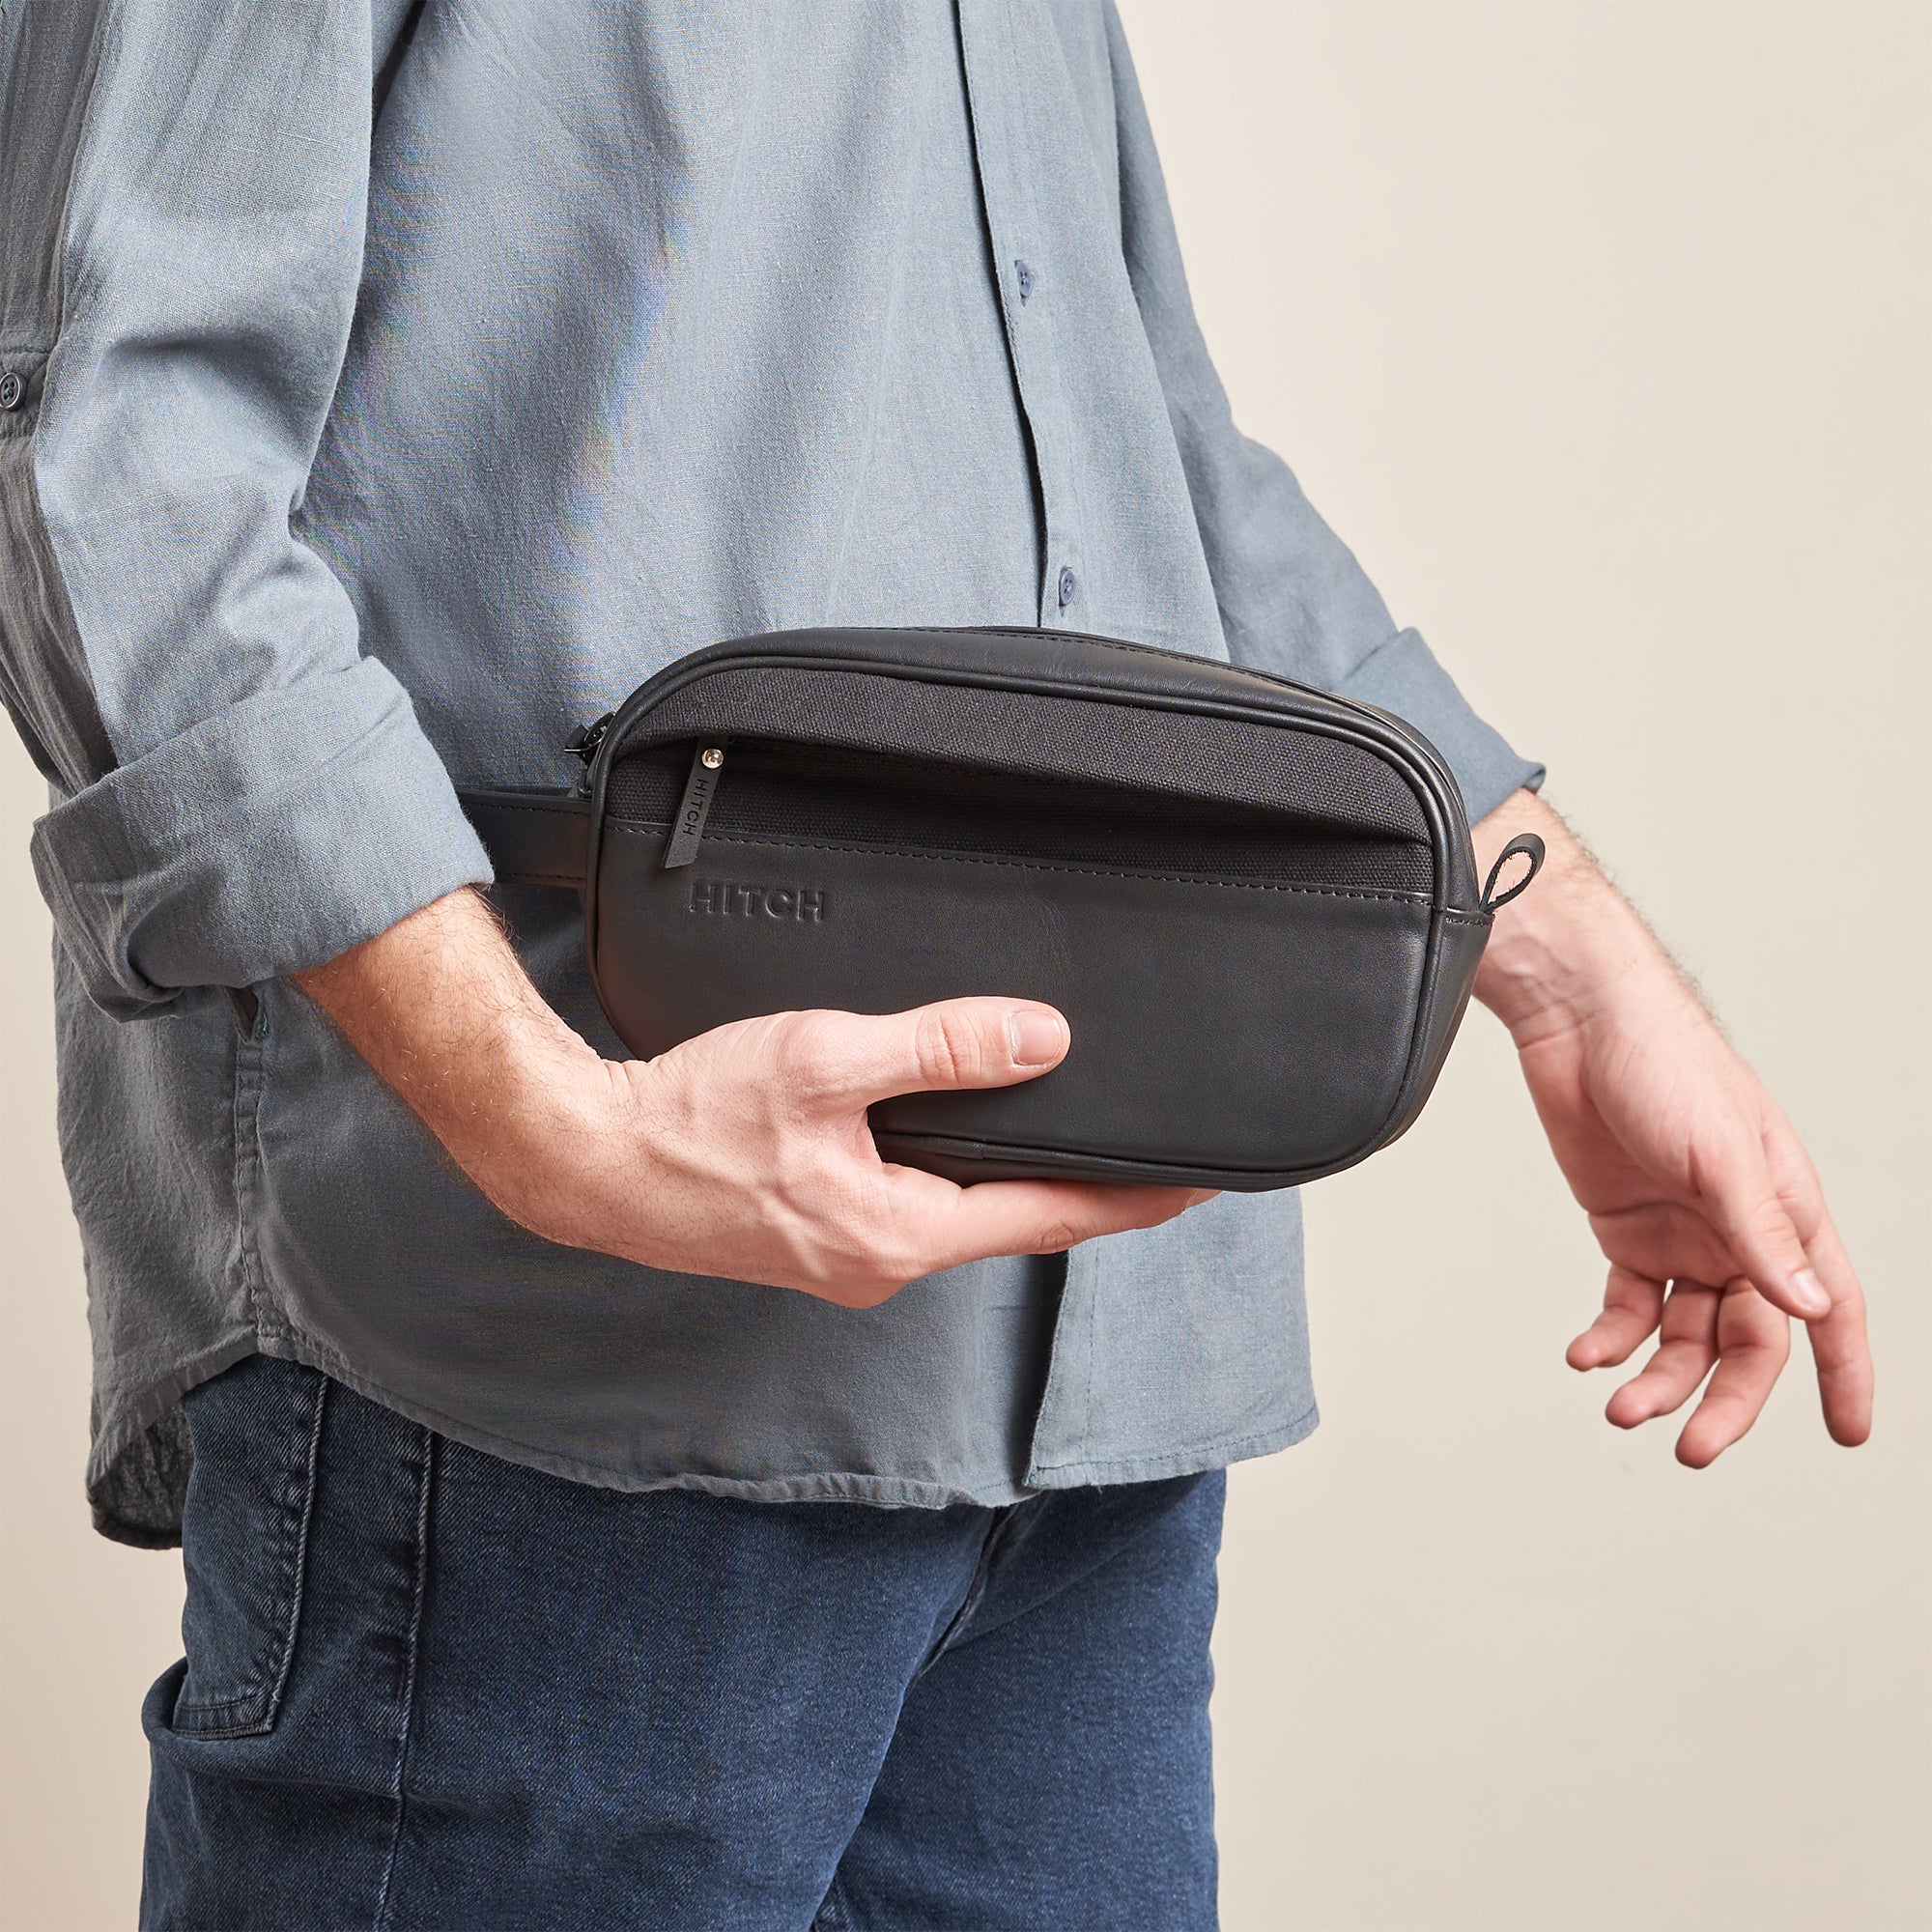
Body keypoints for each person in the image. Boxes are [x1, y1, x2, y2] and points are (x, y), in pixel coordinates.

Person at [0, 4, 1871, 1927]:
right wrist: (547, 1122)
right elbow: (115, 454)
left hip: (1087, 1420)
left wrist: (1568, 967)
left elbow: (1143, 447)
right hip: (551, 1387)